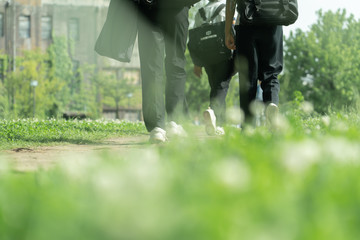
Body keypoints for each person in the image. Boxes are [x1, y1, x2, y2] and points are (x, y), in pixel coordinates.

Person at [136, 2, 193, 143]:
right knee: (176, 64)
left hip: (149, 8)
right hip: (177, 9)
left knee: (152, 67)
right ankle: (174, 122)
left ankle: (157, 127)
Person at [225, 0, 283, 127]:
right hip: (273, 19)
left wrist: (228, 30)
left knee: (247, 76)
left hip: (246, 21)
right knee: (271, 72)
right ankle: (272, 103)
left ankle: (248, 124)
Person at [191, 0, 234, 135]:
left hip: (207, 57)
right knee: (222, 85)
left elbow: (194, 39)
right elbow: (233, 30)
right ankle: (213, 113)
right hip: (224, 54)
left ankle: (219, 123)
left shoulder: (200, 12)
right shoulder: (226, 8)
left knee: (216, 86)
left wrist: (197, 63)